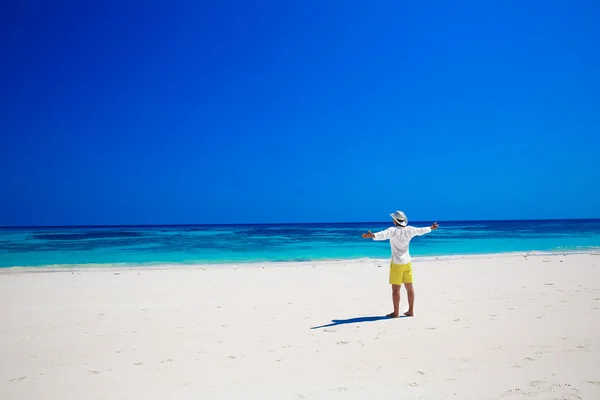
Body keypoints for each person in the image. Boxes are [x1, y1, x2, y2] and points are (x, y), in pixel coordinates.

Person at [362, 211, 439, 318]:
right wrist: (431, 228)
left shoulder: (392, 230)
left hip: (397, 263)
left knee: (396, 289)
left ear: (395, 221)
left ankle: (396, 313)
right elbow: (420, 230)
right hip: (407, 262)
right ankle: (411, 311)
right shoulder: (409, 230)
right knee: (409, 287)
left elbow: (382, 235)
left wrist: (372, 235)